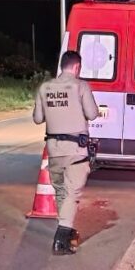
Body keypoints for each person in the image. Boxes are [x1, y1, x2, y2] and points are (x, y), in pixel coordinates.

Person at [32, 51, 100, 255]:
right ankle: (61, 239)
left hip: (54, 150)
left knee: (61, 191)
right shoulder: (81, 86)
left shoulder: (45, 88)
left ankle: (67, 230)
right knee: (72, 193)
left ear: (62, 66)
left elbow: (37, 118)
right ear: (77, 67)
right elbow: (92, 114)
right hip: (75, 150)